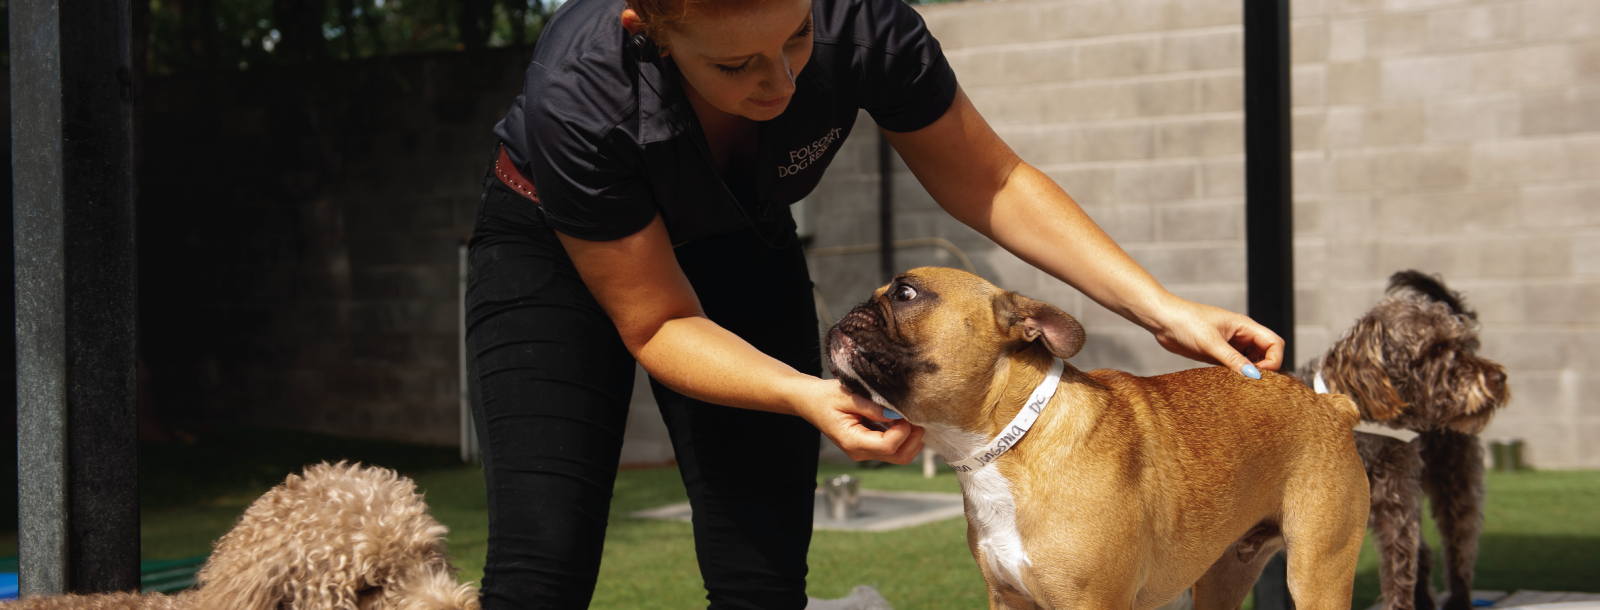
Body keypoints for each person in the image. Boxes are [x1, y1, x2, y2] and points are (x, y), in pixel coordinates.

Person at [466, 0, 1285, 606]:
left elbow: (992, 179)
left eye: (796, 38)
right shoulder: (581, 92)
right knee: (542, 568)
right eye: (736, 65)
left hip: (742, 239)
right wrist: (801, 392)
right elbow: (660, 321)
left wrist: (1160, 307)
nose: (780, 81)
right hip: (555, 252)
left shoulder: (864, 24)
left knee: (762, 577)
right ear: (650, 29)